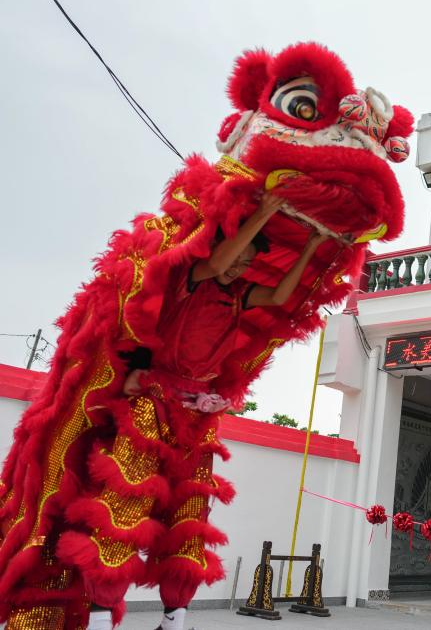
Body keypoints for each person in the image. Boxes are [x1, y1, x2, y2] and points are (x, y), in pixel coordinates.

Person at [84, 192, 328, 630]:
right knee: (127, 503)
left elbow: (279, 297)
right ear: (217, 248)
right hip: (152, 405)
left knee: (191, 515)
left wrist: (312, 247)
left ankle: (174, 618)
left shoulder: (239, 296)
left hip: (198, 416)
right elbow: (217, 266)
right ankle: (101, 616)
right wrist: (269, 210)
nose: (238, 268)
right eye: (237, 257)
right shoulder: (192, 276)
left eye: (245, 262)